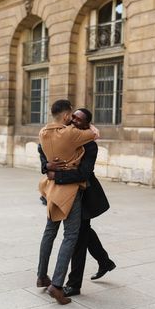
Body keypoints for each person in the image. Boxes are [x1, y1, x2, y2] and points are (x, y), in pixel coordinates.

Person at [38, 108, 116, 297]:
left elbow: (84, 173)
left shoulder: (90, 144)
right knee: (83, 232)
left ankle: (74, 285)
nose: (74, 121)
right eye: (73, 116)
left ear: (86, 125)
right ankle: (105, 261)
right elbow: (43, 149)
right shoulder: (61, 133)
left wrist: (57, 176)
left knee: (79, 238)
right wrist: (46, 166)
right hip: (61, 193)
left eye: (79, 120)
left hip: (83, 193)